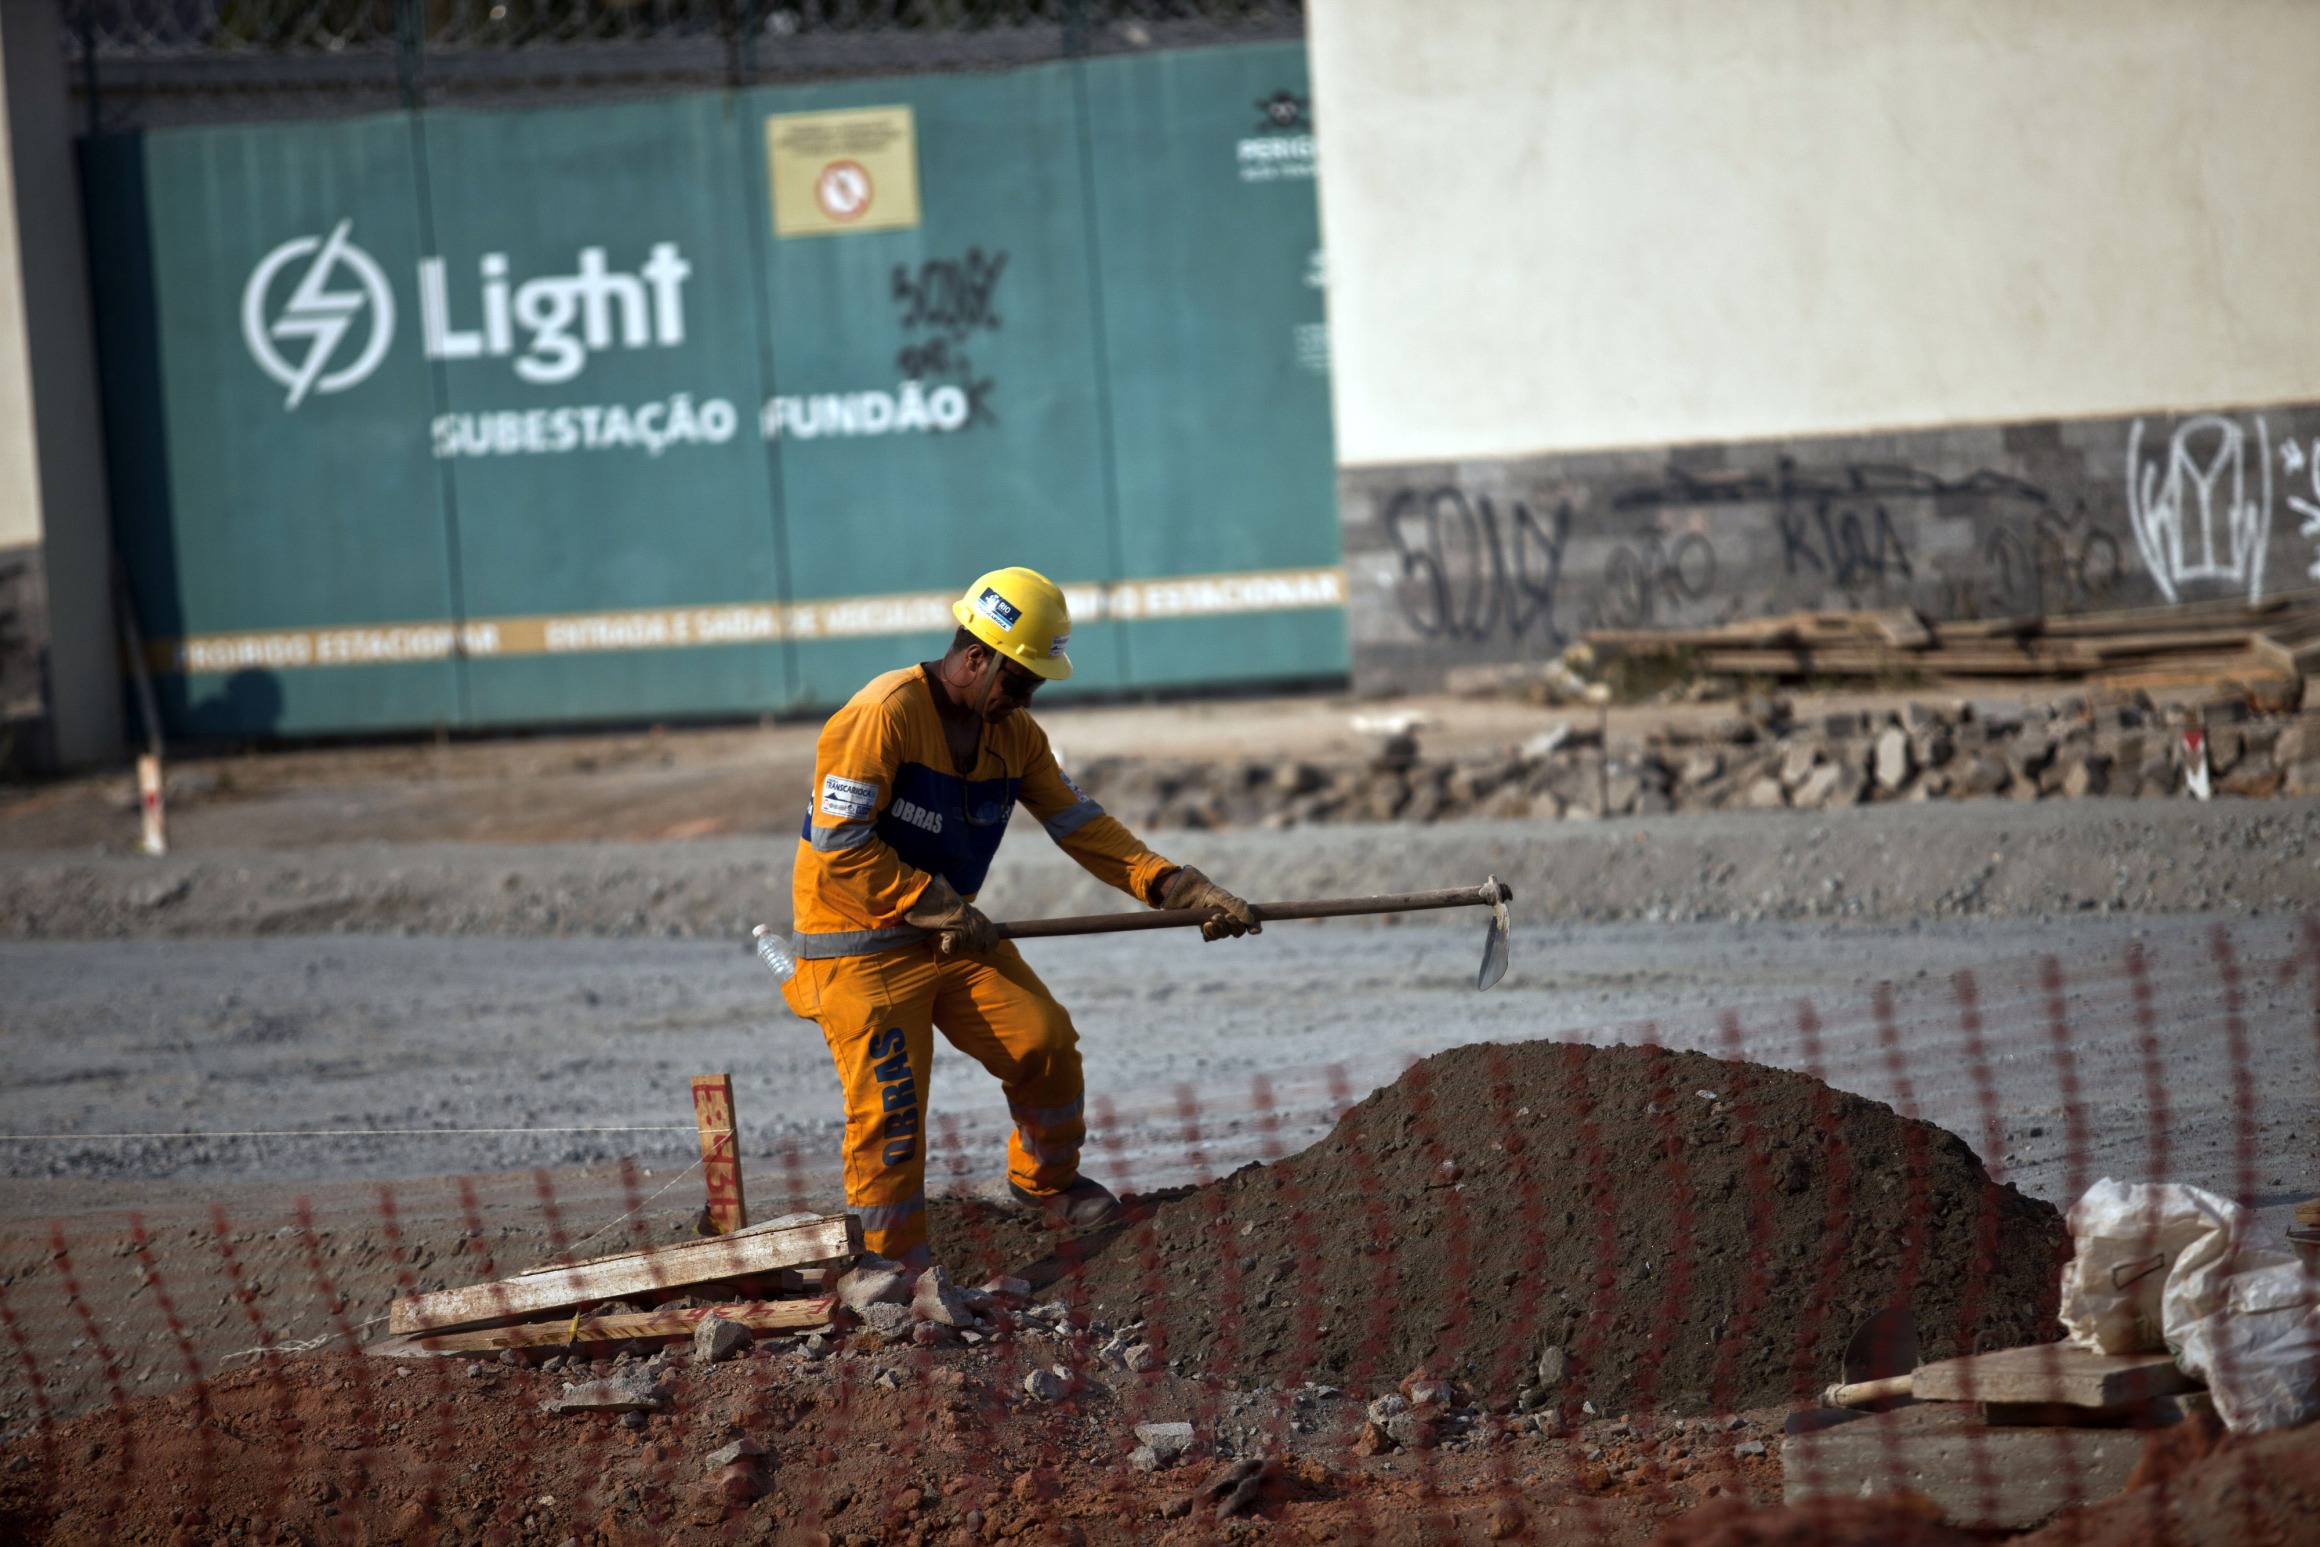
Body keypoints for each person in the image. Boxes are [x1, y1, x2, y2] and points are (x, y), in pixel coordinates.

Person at [783, 566, 1261, 1266]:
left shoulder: (1015, 738)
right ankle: (888, 1269)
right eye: (1020, 681)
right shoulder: (882, 714)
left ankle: (1044, 1185)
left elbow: (1083, 826)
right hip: (857, 946)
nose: (1026, 698)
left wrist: (1174, 885)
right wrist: (933, 902)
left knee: (1045, 1043)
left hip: (944, 936)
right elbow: (839, 845)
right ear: (976, 658)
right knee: (892, 1110)